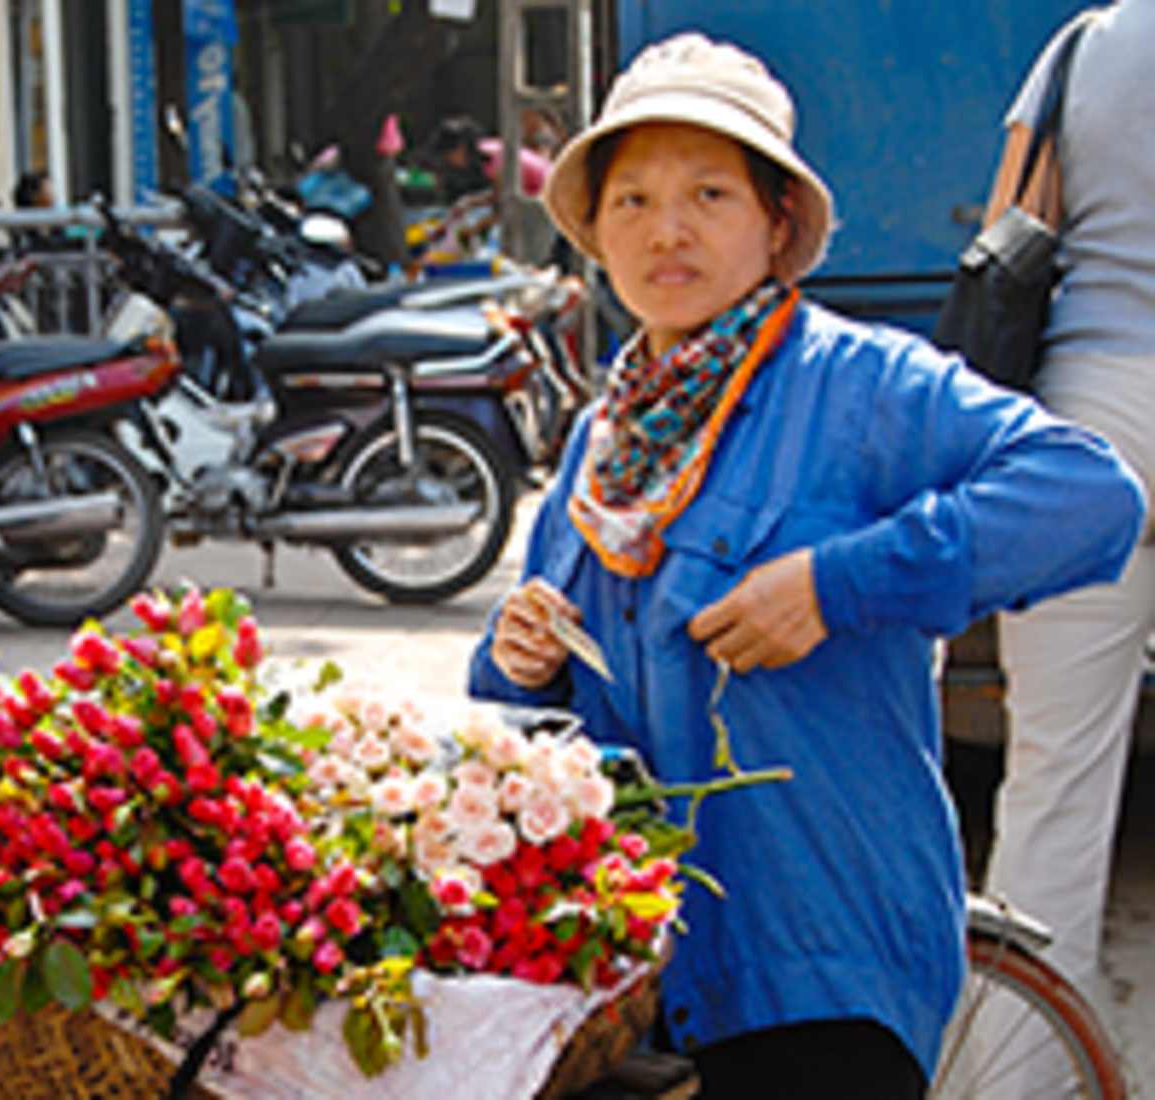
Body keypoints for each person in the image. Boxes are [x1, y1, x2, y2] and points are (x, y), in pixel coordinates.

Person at [465, 31, 1145, 1099]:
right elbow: (528, 719)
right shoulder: (608, 438)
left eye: (708, 194)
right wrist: (519, 660)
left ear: (777, 222)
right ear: (595, 231)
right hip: (640, 969)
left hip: (819, 961)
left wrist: (836, 584)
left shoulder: (861, 383)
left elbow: (1090, 494)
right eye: (632, 200)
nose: (667, 230)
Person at [980, 0, 1155, 1014]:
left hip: (1087, 427)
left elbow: (1009, 227)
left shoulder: (1083, 45)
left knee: (1051, 786)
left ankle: (1021, 1075)